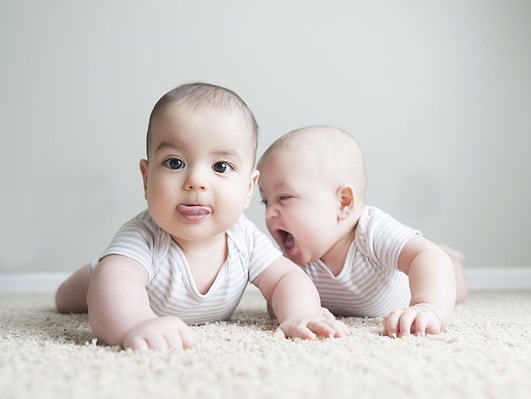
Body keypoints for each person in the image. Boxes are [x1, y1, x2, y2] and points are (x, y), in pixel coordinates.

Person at [55, 84, 348, 351]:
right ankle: (92, 270)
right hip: (105, 277)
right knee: (77, 293)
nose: (196, 181)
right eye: (175, 162)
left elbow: (286, 277)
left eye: (221, 166)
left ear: (248, 188)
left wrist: (299, 312)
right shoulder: (143, 236)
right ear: (146, 179)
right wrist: (135, 323)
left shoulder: (243, 238)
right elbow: (115, 286)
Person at [256, 125, 467, 338]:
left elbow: (427, 257)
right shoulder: (294, 261)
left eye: (284, 197)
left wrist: (427, 307)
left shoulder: (372, 231)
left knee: (449, 279)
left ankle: (453, 260)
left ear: (343, 202)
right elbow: (276, 300)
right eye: (266, 202)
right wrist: (302, 311)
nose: (269, 213)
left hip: (413, 281)